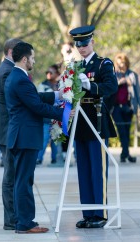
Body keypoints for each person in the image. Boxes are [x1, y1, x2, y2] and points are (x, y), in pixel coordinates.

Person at [4, 42, 65, 233]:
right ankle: (25, 223)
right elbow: (36, 106)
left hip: (22, 135)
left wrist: (57, 95)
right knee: (24, 180)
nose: (34, 60)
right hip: (25, 136)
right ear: (25, 59)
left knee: (24, 179)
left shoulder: (17, 76)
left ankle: (24, 220)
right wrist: (63, 114)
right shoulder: (20, 79)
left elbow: (34, 97)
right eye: (32, 57)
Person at [69, 25, 118, 228]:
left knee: (98, 169)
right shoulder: (76, 66)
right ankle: (88, 213)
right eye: (78, 45)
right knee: (84, 170)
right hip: (81, 122)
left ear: (92, 42)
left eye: (85, 44)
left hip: (96, 120)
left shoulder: (103, 64)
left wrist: (91, 86)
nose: (81, 48)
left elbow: (111, 87)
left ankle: (100, 214)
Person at [0, 38, 22, 230]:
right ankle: (11, 219)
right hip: (7, 129)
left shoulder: (7, 69)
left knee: (13, 173)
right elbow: (15, 103)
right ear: (11, 52)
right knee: (11, 175)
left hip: (8, 128)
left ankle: (14, 216)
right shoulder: (7, 71)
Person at [112, 53, 140, 163]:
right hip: (116, 108)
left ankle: (125, 154)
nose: (121, 65)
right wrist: (119, 83)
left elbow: (137, 92)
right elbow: (111, 90)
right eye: (119, 64)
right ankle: (126, 154)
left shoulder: (132, 75)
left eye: (123, 63)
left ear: (126, 63)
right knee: (121, 130)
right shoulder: (114, 75)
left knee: (127, 131)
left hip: (128, 106)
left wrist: (138, 108)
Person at [36, 64, 60, 165]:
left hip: (58, 116)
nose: (48, 74)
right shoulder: (42, 85)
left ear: (57, 74)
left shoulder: (62, 84)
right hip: (46, 117)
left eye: (51, 72)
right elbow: (39, 99)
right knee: (44, 138)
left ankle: (56, 159)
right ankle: (38, 158)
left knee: (56, 139)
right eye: (47, 73)